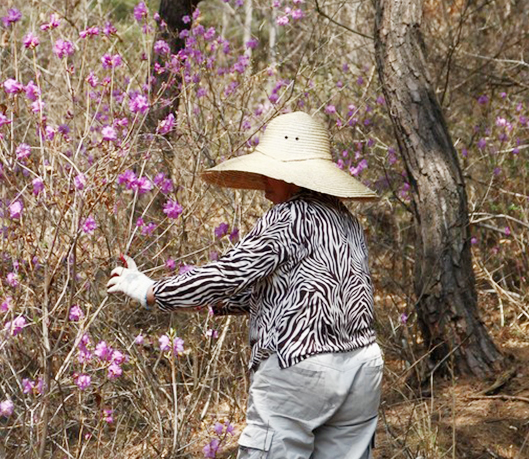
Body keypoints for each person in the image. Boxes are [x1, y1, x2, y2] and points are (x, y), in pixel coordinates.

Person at [107, 111, 383, 459]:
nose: (265, 180)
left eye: (271, 171)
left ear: (294, 175)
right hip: (362, 364)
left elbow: (231, 273)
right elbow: (293, 291)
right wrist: (210, 302)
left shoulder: (287, 216)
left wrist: (153, 291)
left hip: (300, 363)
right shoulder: (345, 219)